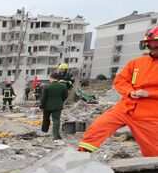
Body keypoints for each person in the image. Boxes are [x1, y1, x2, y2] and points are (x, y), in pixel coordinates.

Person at [78, 26, 158, 156]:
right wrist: (129, 91)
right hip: (126, 107)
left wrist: (148, 94)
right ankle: (81, 156)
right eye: (151, 46)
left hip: (149, 116)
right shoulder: (137, 63)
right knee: (98, 127)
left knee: (154, 151)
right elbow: (120, 81)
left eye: (156, 46)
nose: (153, 50)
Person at [40, 73, 69, 140]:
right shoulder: (63, 86)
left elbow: (43, 97)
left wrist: (41, 105)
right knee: (56, 120)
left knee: (46, 118)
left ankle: (44, 131)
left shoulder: (47, 86)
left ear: (51, 78)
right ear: (58, 78)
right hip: (58, 106)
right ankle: (56, 135)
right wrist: (60, 101)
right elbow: (65, 96)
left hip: (47, 106)